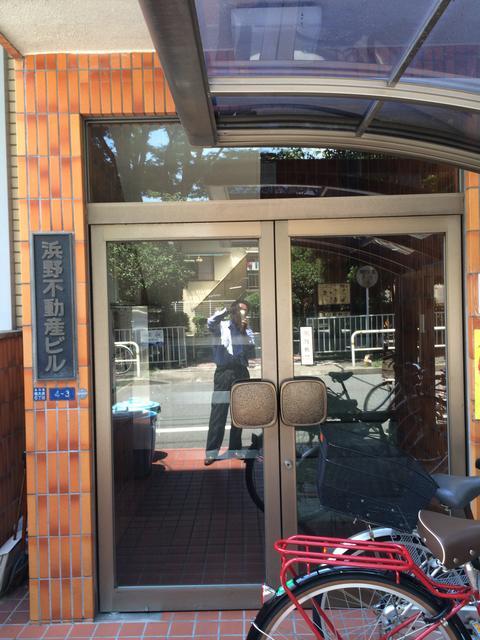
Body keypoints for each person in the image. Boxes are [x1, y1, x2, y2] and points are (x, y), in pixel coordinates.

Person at [204, 300, 255, 466]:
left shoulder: (247, 329)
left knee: (239, 413)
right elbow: (210, 322)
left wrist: (244, 332)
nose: (243, 313)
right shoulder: (222, 325)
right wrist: (226, 311)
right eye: (240, 310)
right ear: (234, 310)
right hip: (223, 372)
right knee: (218, 412)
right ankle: (211, 452)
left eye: (245, 311)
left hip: (241, 372)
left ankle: (235, 448)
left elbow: (251, 350)